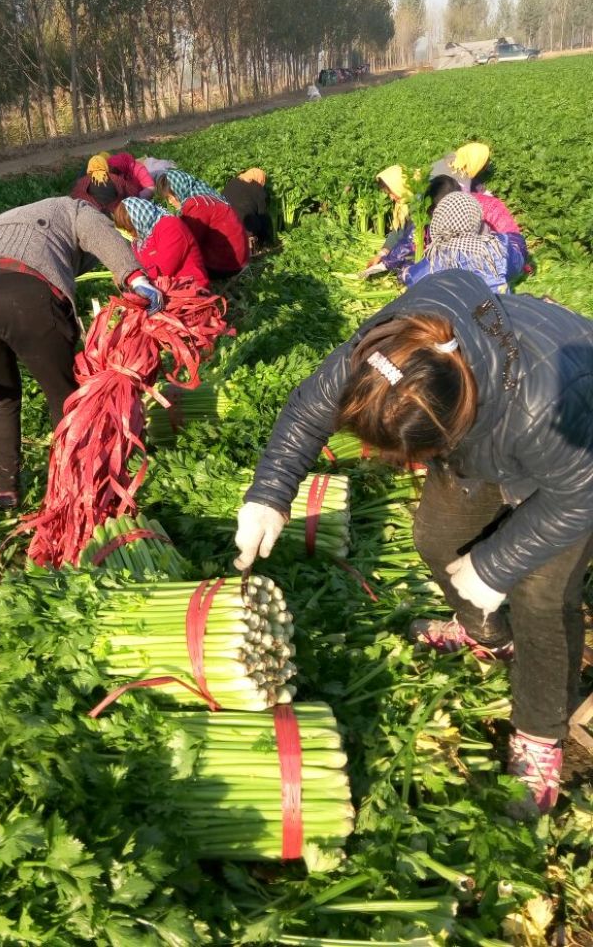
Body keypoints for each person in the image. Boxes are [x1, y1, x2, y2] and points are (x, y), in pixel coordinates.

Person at [233, 269, 593, 815]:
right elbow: (309, 408)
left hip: (573, 464)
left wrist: (499, 564)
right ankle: (488, 638)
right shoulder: (384, 357)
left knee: (541, 598)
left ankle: (541, 733)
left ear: (450, 429)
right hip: (488, 436)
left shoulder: (543, 407)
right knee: (437, 539)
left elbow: (580, 494)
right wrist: (269, 492)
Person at [0, 197, 163, 509]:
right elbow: (98, 231)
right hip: (27, 293)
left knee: (2, 398)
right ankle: (74, 487)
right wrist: (135, 277)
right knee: (64, 397)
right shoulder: (73, 208)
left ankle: (5, 491)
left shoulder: (7, 217)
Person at [399, 192, 524, 294]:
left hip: (464, 317)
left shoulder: (440, 257)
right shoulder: (496, 245)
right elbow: (516, 263)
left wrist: (405, 271)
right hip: (500, 309)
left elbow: (413, 279)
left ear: (441, 220)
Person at [156, 169, 249, 276]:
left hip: (228, 264)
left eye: (170, 196)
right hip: (240, 255)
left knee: (183, 266)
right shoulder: (204, 194)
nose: (171, 202)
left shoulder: (196, 206)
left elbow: (188, 241)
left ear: (179, 188)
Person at [114, 197, 209, 289]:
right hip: (162, 288)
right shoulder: (140, 241)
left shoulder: (170, 226)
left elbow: (164, 270)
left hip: (189, 287)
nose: (130, 234)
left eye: (130, 229)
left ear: (139, 220)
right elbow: (137, 265)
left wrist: (137, 277)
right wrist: (127, 275)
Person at [364, 165, 413, 271]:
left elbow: (410, 242)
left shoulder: (420, 206)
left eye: (391, 192)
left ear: (399, 185)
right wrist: (381, 254)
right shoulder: (402, 206)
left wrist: (386, 263)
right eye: (388, 193)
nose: (391, 197)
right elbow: (397, 232)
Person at [70, 154, 140, 216]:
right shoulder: (115, 178)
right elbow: (134, 191)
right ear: (105, 165)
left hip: (93, 214)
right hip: (115, 214)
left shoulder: (82, 181)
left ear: (89, 167)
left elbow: (74, 196)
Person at [221, 168, 273, 247]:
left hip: (224, 224)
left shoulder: (231, 183)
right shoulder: (258, 189)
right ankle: (258, 245)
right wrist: (266, 239)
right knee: (263, 220)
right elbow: (263, 216)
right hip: (245, 227)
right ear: (261, 179)